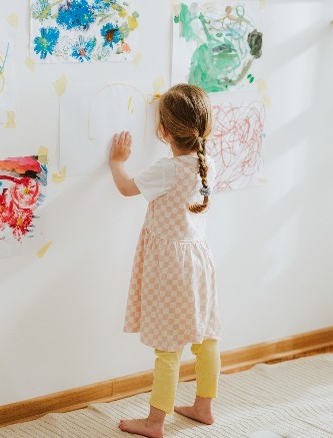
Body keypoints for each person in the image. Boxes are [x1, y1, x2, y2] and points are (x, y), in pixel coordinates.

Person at [109, 84, 221, 438]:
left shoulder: (167, 169)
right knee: (205, 340)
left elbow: (127, 189)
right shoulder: (208, 164)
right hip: (198, 260)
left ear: (163, 132)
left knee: (168, 348)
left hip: (170, 267)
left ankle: (155, 422)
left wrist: (116, 162)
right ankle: (203, 406)